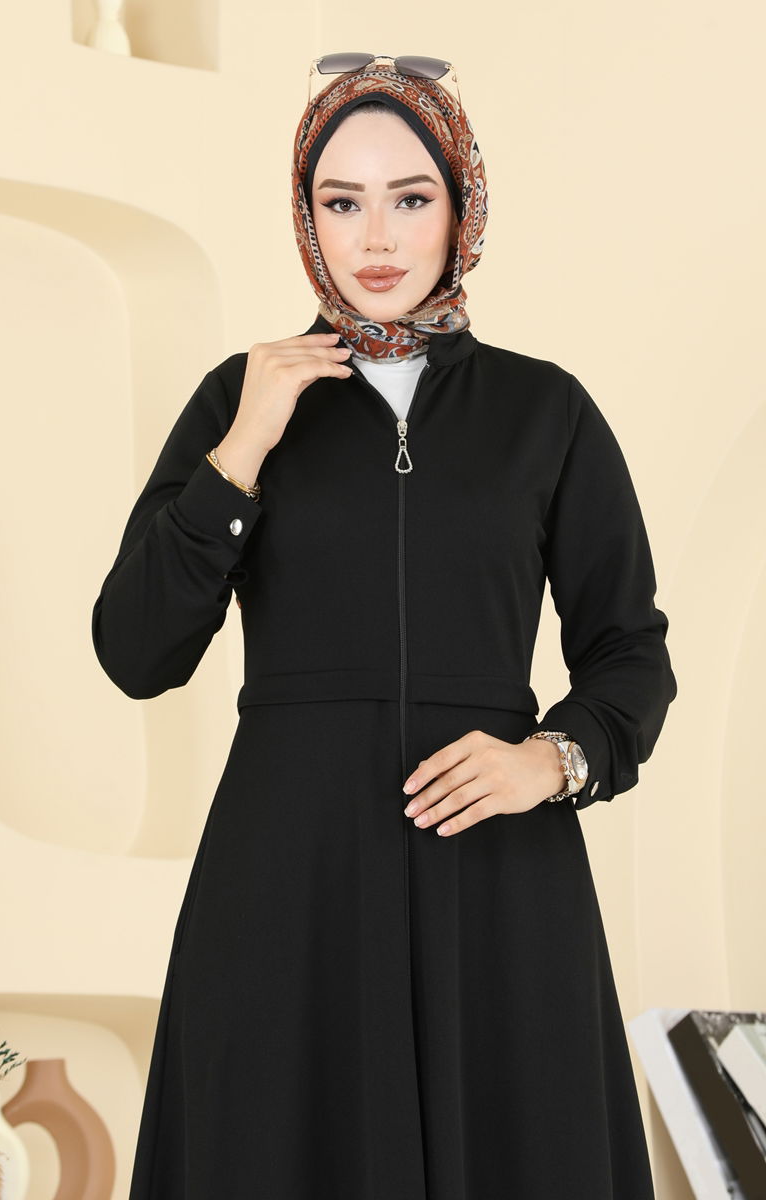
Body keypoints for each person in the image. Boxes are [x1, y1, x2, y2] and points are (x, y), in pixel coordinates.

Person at [92, 53, 677, 1200]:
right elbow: (135, 650)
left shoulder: (543, 409)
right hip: (288, 882)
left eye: (409, 198)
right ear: (304, 216)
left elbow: (628, 647)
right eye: (340, 201)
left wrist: (553, 759)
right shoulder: (238, 398)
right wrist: (243, 448)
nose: (375, 238)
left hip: (496, 879)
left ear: (459, 205)